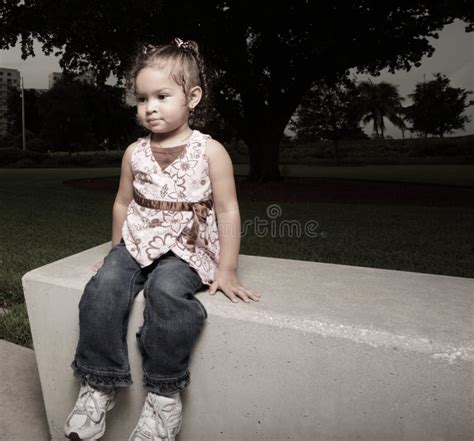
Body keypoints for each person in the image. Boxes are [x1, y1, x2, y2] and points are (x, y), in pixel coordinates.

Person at [64, 37, 261, 441]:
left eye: (162, 96)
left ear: (192, 96)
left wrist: (227, 269)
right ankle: (98, 385)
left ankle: (163, 398)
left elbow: (227, 210)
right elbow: (122, 203)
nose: (149, 107)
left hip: (187, 249)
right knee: (104, 286)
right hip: (137, 240)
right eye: (141, 99)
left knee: (168, 290)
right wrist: (116, 249)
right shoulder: (134, 153)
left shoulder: (211, 151)